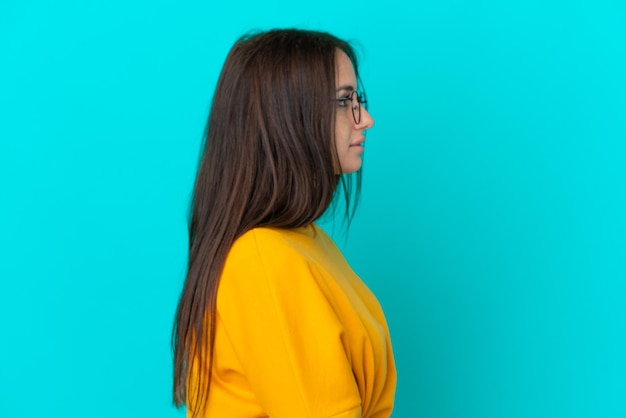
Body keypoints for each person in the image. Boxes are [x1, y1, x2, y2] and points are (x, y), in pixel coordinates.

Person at [172, 28, 396, 418]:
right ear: (288, 115)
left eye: (358, 99)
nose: (366, 120)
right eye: (345, 101)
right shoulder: (262, 260)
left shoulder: (303, 242)